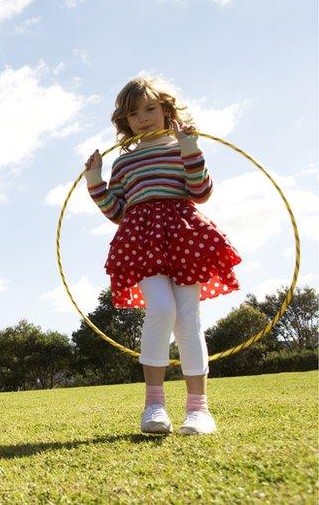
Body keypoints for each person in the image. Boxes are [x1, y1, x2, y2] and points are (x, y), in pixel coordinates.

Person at [84, 76, 241, 436]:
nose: (143, 118)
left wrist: (190, 149)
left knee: (188, 319)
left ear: (167, 110)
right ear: (125, 121)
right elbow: (117, 210)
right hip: (141, 237)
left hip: (184, 235)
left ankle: (198, 410)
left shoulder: (181, 146)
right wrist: (95, 179)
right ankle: (153, 405)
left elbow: (201, 191)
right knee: (162, 308)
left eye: (150, 109)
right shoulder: (124, 163)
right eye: (134, 114)